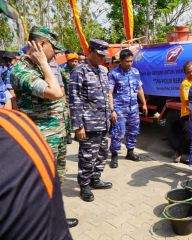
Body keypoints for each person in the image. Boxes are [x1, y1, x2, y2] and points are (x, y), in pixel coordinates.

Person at [10, 26, 78, 227]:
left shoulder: (42, 68)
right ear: (41, 45)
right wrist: (43, 63)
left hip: (56, 136)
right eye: (53, 49)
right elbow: (55, 93)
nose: (56, 54)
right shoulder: (22, 71)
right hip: (42, 140)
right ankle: (39, 225)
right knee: (40, 184)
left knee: (57, 180)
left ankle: (55, 217)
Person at [0, 109, 72, 240]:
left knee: (56, 184)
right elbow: (55, 93)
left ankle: (60, 215)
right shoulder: (11, 129)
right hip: (47, 133)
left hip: (58, 129)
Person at [69, 39, 112, 202]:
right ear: (91, 51)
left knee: (102, 153)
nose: (103, 58)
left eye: (104, 55)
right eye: (100, 55)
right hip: (88, 124)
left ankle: (95, 179)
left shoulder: (103, 71)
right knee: (87, 156)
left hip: (103, 122)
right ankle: (84, 185)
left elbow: (107, 94)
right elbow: (75, 99)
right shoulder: (79, 71)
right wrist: (78, 125)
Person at [108, 49, 148, 168]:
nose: (129, 64)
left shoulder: (135, 72)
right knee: (118, 133)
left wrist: (144, 103)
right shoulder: (114, 74)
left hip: (133, 108)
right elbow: (109, 92)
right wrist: (112, 110)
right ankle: (114, 155)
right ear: (120, 60)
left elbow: (139, 89)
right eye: (127, 61)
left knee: (133, 130)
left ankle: (130, 152)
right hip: (119, 109)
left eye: (131, 61)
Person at [174, 61, 192, 163]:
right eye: (189, 72)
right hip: (187, 113)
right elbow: (188, 100)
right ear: (185, 73)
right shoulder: (185, 84)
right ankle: (178, 153)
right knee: (187, 135)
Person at [61, 53, 79, 144]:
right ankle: (68, 134)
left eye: (76, 61)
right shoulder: (62, 71)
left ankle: (77, 133)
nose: (75, 63)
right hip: (67, 97)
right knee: (67, 117)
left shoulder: (79, 71)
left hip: (77, 97)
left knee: (77, 115)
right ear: (68, 62)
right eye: (73, 61)